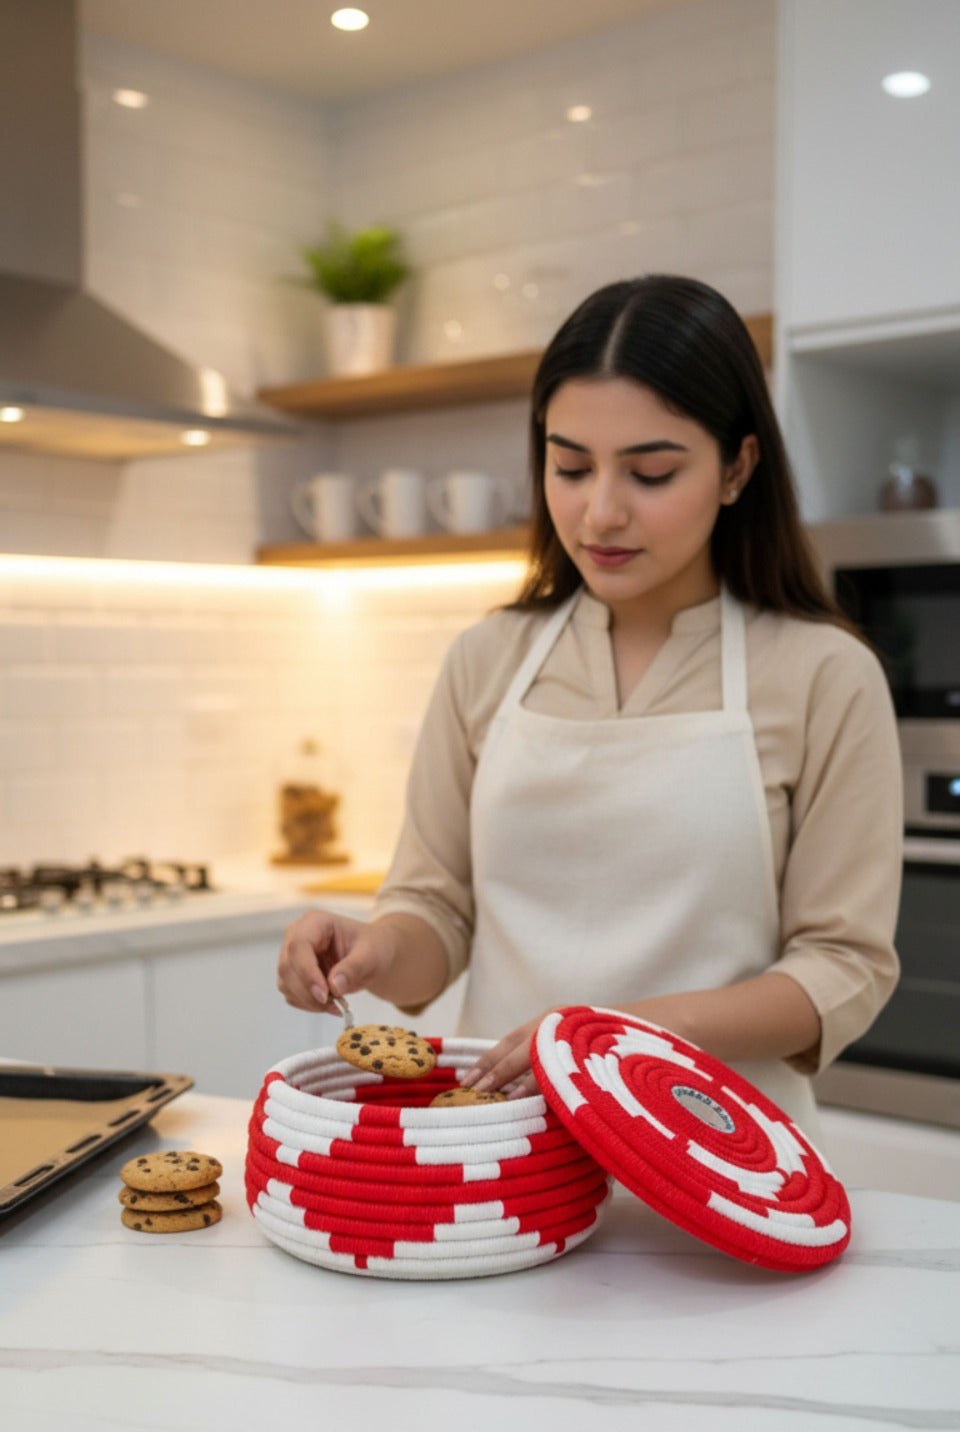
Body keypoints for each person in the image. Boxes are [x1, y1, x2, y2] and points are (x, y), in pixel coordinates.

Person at [277, 274, 902, 1144]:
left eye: (650, 472)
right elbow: (438, 908)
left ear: (738, 467)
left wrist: (607, 1040)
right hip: (504, 1151)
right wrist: (377, 946)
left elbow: (843, 969)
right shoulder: (487, 659)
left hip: (723, 1160)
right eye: (569, 466)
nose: (599, 512)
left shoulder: (823, 675)